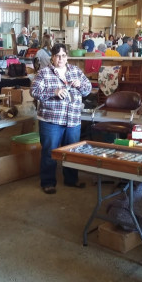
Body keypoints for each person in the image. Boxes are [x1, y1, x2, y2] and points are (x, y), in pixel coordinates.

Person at [30, 43, 92, 194]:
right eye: (57, 55)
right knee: (49, 152)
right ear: (52, 57)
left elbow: (88, 89)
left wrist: (80, 85)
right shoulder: (44, 73)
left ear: (67, 57)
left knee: (72, 151)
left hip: (73, 120)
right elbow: (34, 91)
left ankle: (71, 179)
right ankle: (48, 182)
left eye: (63, 55)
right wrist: (54, 91)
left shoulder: (76, 71)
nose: (61, 58)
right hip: (51, 120)